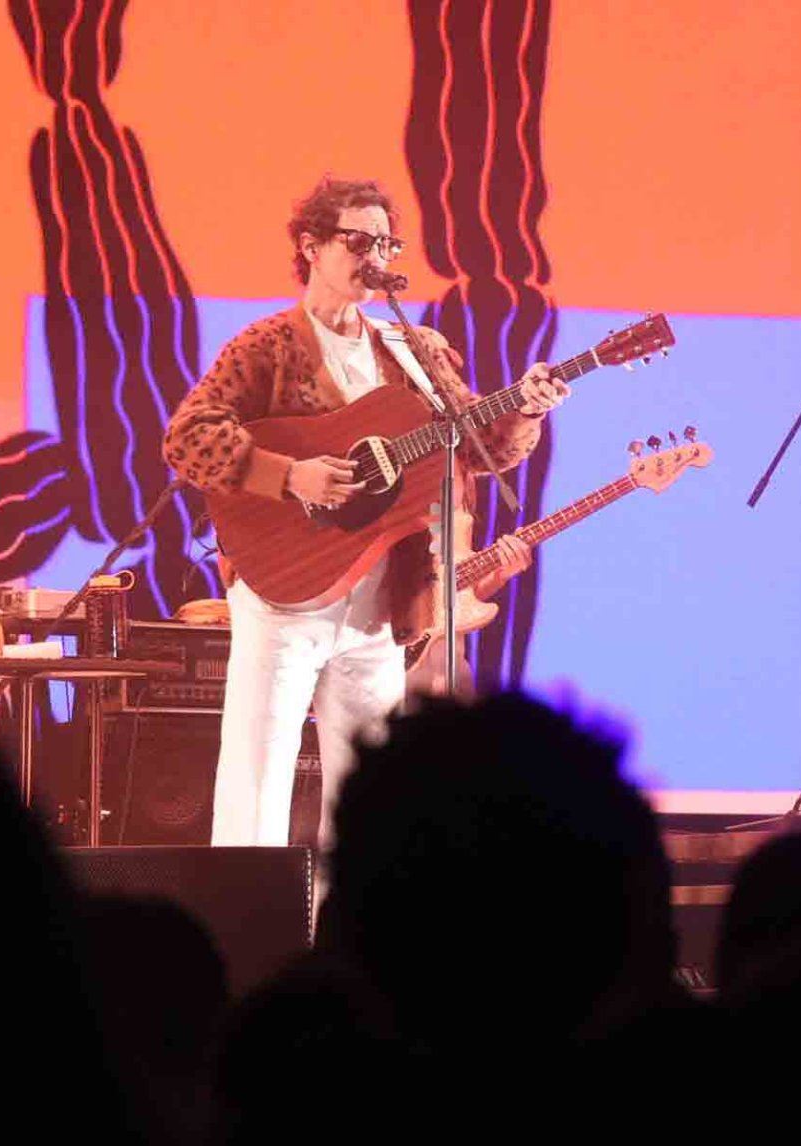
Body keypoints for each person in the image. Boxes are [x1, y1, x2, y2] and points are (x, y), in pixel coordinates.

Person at [163, 175, 567, 860]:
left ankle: (351, 924)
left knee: (365, 805)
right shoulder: (267, 346)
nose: (375, 257)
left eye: (386, 244)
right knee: (257, 781)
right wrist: (290, 475)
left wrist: (525, 407)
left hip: (382, 601)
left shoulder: (414, 350)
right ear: (310, 246)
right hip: (286, 594)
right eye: (358, 241)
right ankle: (244, 920)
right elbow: (189, 438)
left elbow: (479, 449)